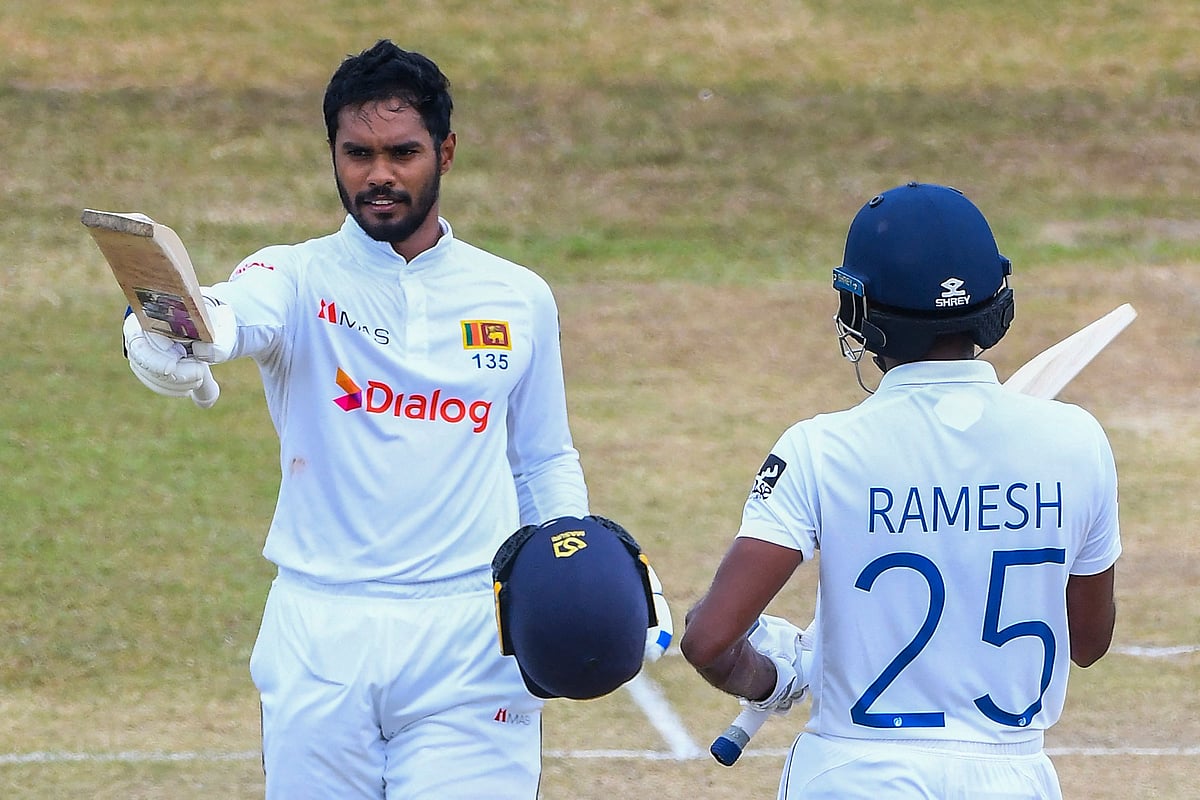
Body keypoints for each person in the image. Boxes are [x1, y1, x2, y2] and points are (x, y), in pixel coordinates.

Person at [120, 39, 669, 799]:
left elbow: (540, 457)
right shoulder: (294, 274)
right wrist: (152, 333)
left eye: (403, 152)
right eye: (357, 153)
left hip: (473, 637)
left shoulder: (516, 296)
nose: (379, 174)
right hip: (320, 634)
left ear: (445, 151)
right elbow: (220, 315)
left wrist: (584, 566)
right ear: (334, 154)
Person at [680, 182, 1121, 799]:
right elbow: (1090, 642)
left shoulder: (820, 449)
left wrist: (773, 676)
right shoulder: (1078, 441)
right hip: (1014, 779)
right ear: (997, 304)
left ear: (860, 312)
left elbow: (708, 640)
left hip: (851, 775)